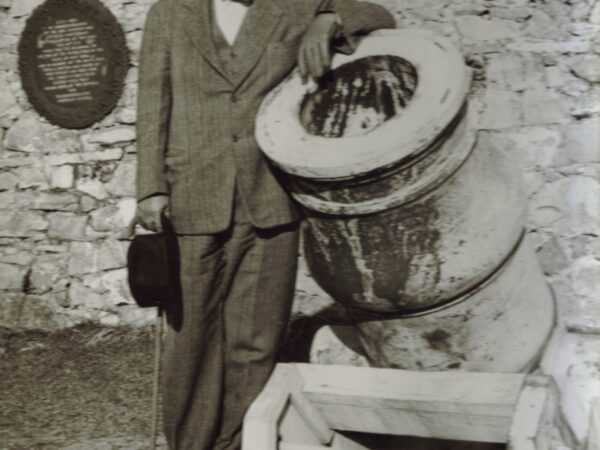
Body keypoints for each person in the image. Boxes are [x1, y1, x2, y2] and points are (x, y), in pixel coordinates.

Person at [134, 0, 394, 447]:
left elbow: (377, 14)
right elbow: (153, 101)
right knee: (190, 342)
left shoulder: (294, 7)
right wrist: (150, 188)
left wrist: (328, 22)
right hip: (193, 197)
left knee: (255, 344)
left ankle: (241, 440)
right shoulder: (169, 13)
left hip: (270, 200)